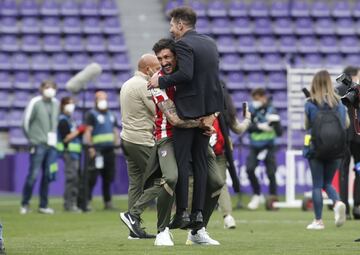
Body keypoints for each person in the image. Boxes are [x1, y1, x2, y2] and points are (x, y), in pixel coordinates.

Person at [120, 38, 223, 246]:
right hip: (167, 137)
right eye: (160, 58)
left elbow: (214, 101)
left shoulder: (191, 77)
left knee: (217, 182)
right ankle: (162, 230)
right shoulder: (157, 81)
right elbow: (174, 119)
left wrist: (210, 118)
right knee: (171, 177)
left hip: (196, 137)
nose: (164, 62)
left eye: (167, 57)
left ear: (178, 57)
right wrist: (202, 123)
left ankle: (197, 230)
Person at [148, 6, 224, 228]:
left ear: (181, 25)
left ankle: (181, 213)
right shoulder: (209, 42)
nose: (171, 29)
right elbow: (211, 77)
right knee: (200, 164)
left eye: (172, 25)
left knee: (182, 164)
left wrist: (159, 82)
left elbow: (185, 74)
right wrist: (211, 113)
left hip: (187, 110)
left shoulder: (183, 44)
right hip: (207, 110)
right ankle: (198, 214)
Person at [120, 54, 158, 239]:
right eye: (156, 67)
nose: (159, 70)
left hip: (127, 138)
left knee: (135, 184)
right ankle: (133, 214)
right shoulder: (144, 86)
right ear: (147, 68)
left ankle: (133, 231)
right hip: (141, 140)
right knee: (164, 179)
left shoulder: (127, 83)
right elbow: (157, 110)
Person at [304, 70, 348, 230]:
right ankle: (337, 202)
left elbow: (306, 126)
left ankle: (318, 220)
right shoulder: (339, 103)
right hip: (336, 148)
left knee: (317, 184)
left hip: (316, 148)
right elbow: (346, 124)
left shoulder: (310, 103)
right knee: (327, 182)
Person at [210, 86, 251, 228]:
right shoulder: (226, 110)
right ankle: (228, 216)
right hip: (221, 151)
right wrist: (247, 119)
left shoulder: (202, 105)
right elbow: (238, 129)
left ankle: (196, 218)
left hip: (203, 151)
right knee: (221, 184)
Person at [21, 80, 59, 215]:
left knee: (48, 176)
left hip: (51, 146)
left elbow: (55, 124)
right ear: (41, 88)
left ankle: (43, 205)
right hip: (38, 144)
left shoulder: (56, 103)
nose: (50, 90)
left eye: (53, 87)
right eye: (47, 87)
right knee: (33, 175)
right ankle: (25, 204)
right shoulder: (35, 102)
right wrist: (31, 139)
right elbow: (25, 122)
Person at [246, 88, 282, 210]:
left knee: (271, 173)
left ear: (263, 97)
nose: (255, 101)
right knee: (249, 169)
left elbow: (280, 132)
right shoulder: (250, 109)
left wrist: (275, 123)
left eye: (257, 99)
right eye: (254, 99)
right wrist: (260, 126)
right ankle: (257, 194)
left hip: (269, 146)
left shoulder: (272, 110)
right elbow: (248, 127)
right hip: (255, 145)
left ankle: (273, 198)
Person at [84, 91, 119, 210]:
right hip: (97, 151)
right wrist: (91, 147)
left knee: (108, 177)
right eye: (100, 99)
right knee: (92, 177)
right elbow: (88, 132)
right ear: (95, 100)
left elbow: (115, 131)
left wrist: (116, 144)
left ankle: (107, 202)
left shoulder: (111, 114)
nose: (103, 101)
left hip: (110, 150)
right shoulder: (91, 114)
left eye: (104, 99)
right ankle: (87, 201)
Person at [335, 66, 360, 220]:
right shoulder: (358, 89)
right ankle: (358, 206)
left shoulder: (336, 91)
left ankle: (344, 207)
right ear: (355, 75)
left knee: (343, 171)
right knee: (359, 170)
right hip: (358, 137)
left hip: (343, 136)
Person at [57, 97, 86, 212]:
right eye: (69, 104)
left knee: (76, 179)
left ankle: (72, 203)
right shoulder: (63, 120)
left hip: (75, 152)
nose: (71, 106)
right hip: (69, 152)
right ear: (63, 105)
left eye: (73, 104)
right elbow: (66, 138)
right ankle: (69, 204)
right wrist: (79, 131)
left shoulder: (70, 119)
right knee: (72, 178)